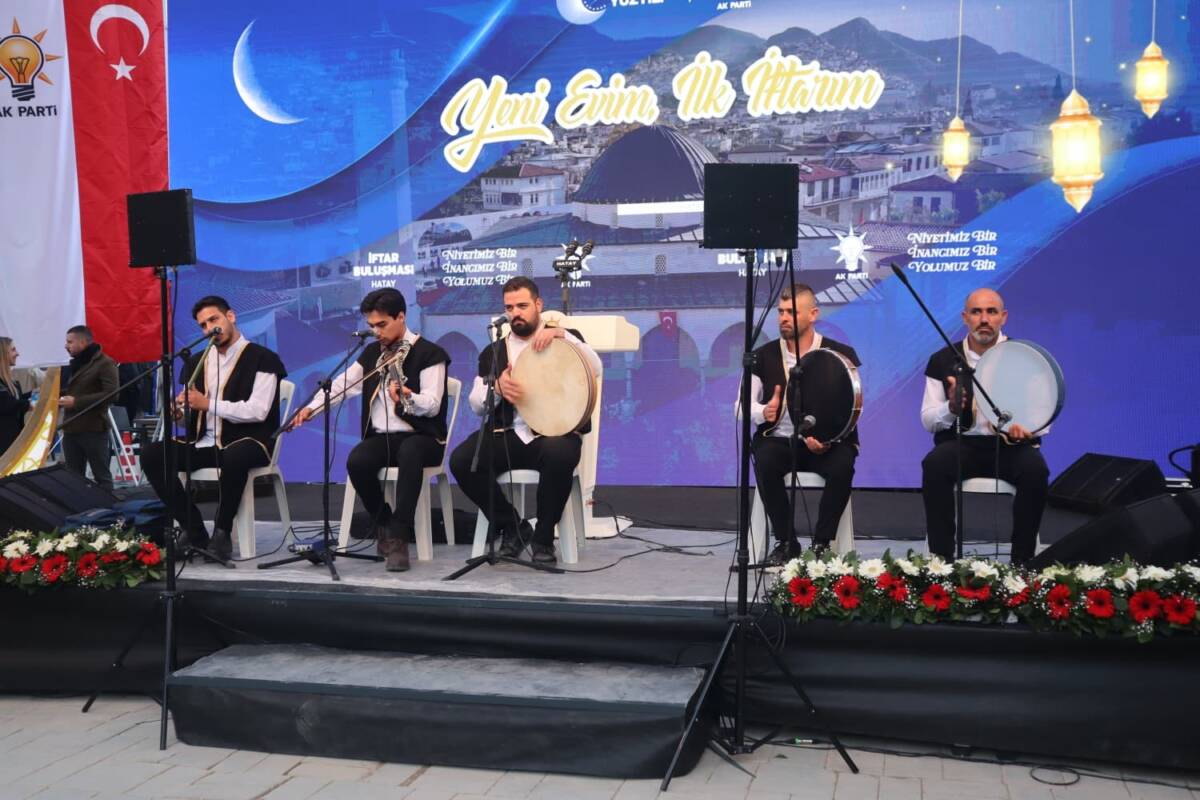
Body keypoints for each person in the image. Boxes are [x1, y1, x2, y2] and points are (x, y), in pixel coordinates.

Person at [289, 288, 451, 572]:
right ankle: (386, 525)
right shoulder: (372, 354)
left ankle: (399, 536)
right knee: (358, 460)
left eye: (382, 324)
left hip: (423, 437)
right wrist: (311, 408)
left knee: (411, 451)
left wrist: (409, 397)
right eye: (371, 326)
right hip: (382, 438)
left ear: (401, 317)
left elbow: (434, 405)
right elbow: (342, 386)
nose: (376, 332)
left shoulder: (430, 353)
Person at [449, 277, 602, 566]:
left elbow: (595, 368)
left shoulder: (566, 337)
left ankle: (543, 540)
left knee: (559, 454)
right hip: (508, 433)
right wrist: (497, 388)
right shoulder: (494, 351)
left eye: (522, 306)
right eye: (509, 308)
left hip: (554, 434)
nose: (515, 313)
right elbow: (477, 406)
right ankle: (513, 527)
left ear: (538, 304)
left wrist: (562, 335)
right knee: (463, 460)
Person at [140, 296, 287, 562]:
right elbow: (191, 416)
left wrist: (208, 404)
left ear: (230, 316)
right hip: (204, 442)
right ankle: (193, 529)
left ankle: (222, 531)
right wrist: (179, 415)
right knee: (152, 454)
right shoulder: (197, 361)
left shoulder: (263, 358)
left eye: (213, 320)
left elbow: (258, 411)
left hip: (250, 441)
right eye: (203, 325)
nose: (210, 329)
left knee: (234, 455)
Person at [920, 287, 1049, 565]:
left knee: (1036, 470)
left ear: (1004, 317)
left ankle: (1023, 561)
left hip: (1010, 447)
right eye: (976, 312)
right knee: (934, 465)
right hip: (962, 445)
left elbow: (1043, 414)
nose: (984, 319)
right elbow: (929, 420)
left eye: (991, 312)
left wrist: (1028, 428)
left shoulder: (1025, 357)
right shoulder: (943, 360)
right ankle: (941, 561)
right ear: (965, 317)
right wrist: (951, 408)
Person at [742, 285, 861, 565]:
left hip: (828, 443)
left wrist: (827, 438)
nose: (784, 318)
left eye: (792, 312)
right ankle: (787, 543)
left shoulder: (839, 354)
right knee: (765, 460)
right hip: (780, 440)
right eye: (781, 312)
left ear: (813, 314)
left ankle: (821, 545)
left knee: (843, 465)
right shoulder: (762, 356)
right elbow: (741, 405)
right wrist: (763, 411)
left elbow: (851, 406)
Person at [59, 326, 119, 491]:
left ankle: (108, 505)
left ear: (83, 342)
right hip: (71, 428)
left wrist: (76, 402)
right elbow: (75, 389)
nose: (66, 346)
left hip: (93, 428)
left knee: (101, 476)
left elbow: (112, 394)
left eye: (70, 342)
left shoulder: (105, 363)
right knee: (73, 477)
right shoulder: (75, 363)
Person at [0, 337, 33, 455]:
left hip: (13, 443)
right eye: (13, 350)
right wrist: (30, 404)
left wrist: (34, 395)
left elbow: (14, 400)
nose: (17, 353)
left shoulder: (10, 382)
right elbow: (7, 404)